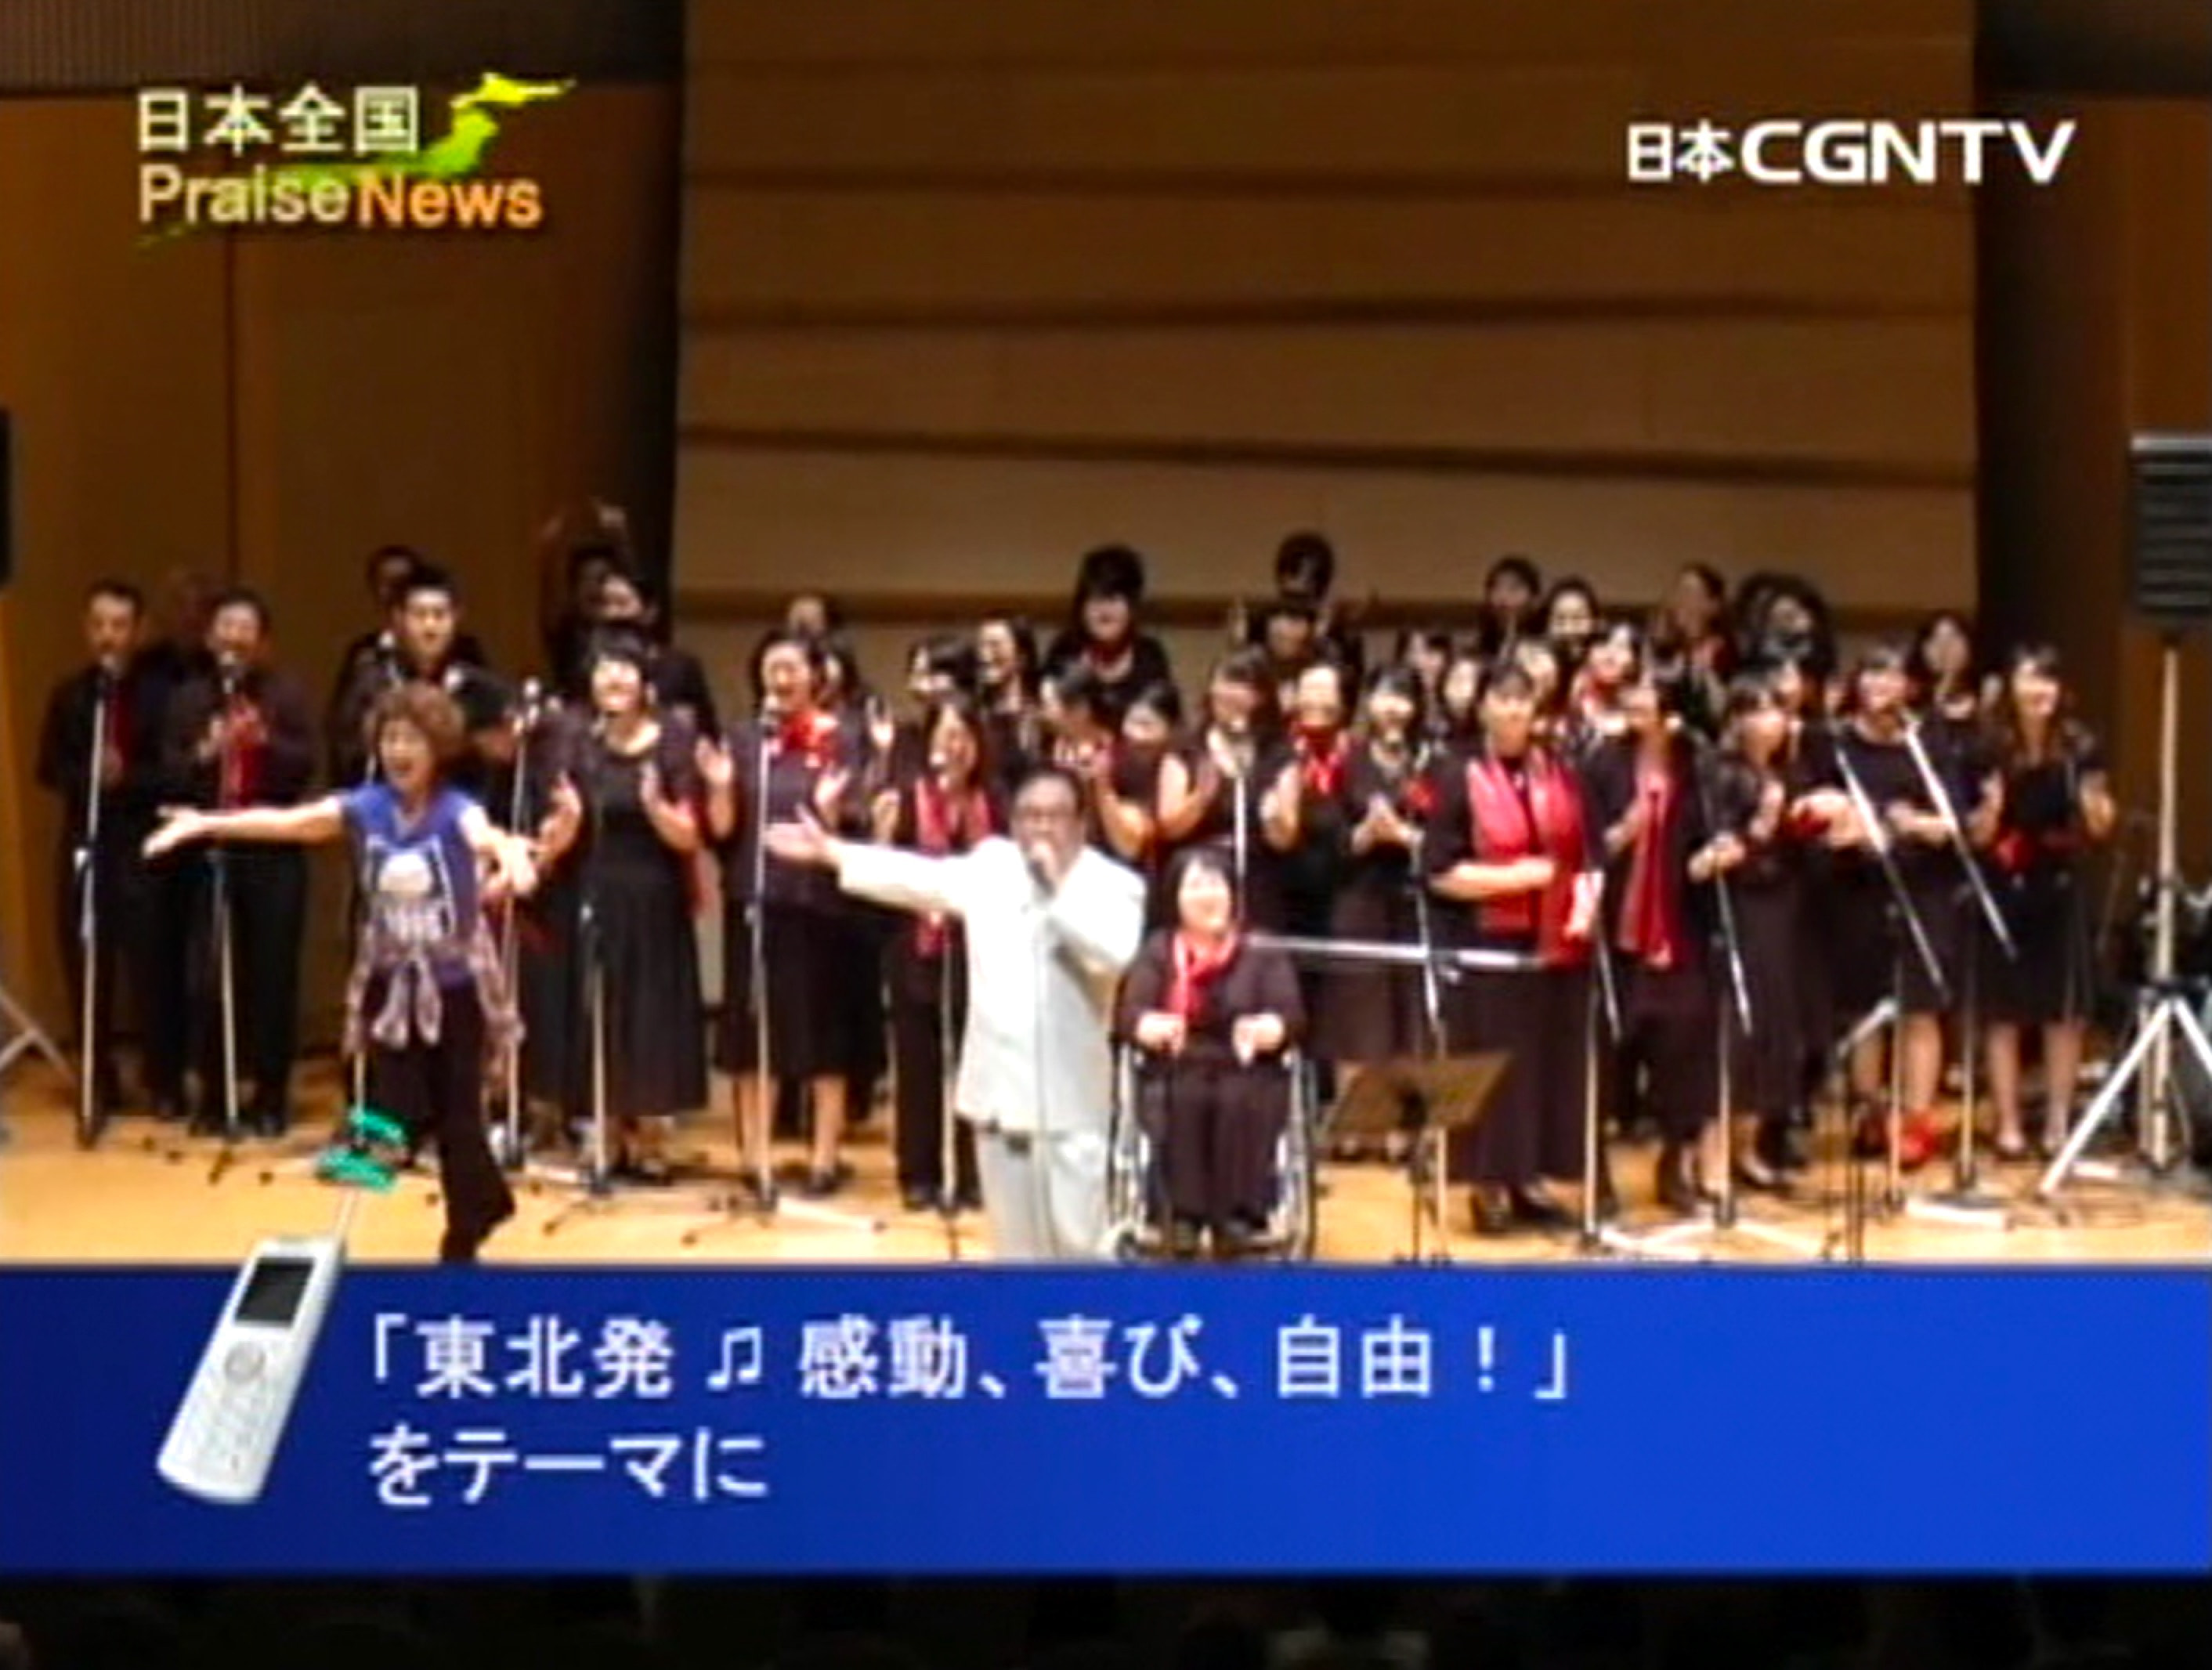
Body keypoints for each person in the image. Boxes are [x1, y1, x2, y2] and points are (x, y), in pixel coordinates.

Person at [146, 683, 538, 1263]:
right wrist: (206, 824)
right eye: (391, 739)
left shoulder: (458, 811)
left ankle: (467, 1225)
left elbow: (490, 839)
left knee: (459, 1116)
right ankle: (380, 1200)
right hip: (390, 985)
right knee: (395, 1102)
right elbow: (289, 823)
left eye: (412, 740)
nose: (399, 751)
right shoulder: (364, 808)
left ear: (438, 750)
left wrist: (512, 856)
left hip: (455, 989)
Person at [766, 766, 1147, 1260]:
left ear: (1081, 823)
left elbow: (1114, 952)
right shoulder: (993, 866)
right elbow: (918, 877)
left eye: (1055, 816)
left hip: (1070, 1106)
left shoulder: (1112, 883)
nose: (1042, 828)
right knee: (1014, 1252)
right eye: (1030, 816)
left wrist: (1057, 889)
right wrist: (832, 852)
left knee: (1080, 1249)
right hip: (997, 1097)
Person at [1422, 663, 1599, 1235]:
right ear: (1483, 709)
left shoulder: (1559, 770)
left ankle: (1531, 1179)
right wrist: (1515, 878)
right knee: (1497, 1068)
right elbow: (1438, 872)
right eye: (1503, 699)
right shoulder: (1459, 774)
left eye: (1524, 701)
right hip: (1489, 944)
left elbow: (1584, 850)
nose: (1515, 711)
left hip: (1557, 944)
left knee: (1546, 1067)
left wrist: (1584, 898)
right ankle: (1489, 1183)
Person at [533, 632, 710, 1182]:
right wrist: (564, 826)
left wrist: (655, 806)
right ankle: (605, 1134)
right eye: (604, 670)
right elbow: (552, 839)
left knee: (651, 1014)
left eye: (624, 669)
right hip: (592, 891)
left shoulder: (673, 739)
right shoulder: (575, 743)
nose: (613, 679)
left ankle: (652, 1139)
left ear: (644, 683)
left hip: (654, 895)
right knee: (598, 1010)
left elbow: (690, 836)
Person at [159, 588, 318, 1135]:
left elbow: (306, 766)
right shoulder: (188, 698)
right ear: (209, 637)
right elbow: (169, 775)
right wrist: (208, 751)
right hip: (209, 852)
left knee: (273, 976)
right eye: (225, 626)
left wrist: (263, 740)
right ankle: (215, 1093)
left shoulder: (286, 693)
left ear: (263, 640)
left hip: (273, 852)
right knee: (208, 975)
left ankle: (271, 1096)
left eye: (246, 627)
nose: (235, 637)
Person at [1115, 848, 1304, 1259]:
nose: (1208, 896)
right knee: (1184, 1095)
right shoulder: (1159, 951)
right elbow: (1129, 1014)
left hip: (1247, 1065)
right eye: (1196, 886)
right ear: (1175, 899)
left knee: (1239, 1098)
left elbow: (1291, 1016)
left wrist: (1268, 1028)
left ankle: (1239, 1216)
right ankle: (1182, 1215)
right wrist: (1150, 1025)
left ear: (1233, 893)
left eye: (1217, 884)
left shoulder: (1262, 950)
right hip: (1176, 1063)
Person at [34, 580, 174, 1118]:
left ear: (137, 631)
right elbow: (48, 768)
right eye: (98, 625)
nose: (107, 637)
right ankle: (98, 1079)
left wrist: (126, 776)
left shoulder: (159, 694)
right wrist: (88, 774)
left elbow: (173, 771)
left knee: (151, 966)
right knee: (86, 961)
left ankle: (161, 1079)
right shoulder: (71, 694)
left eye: (118, 626)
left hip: (141, 844)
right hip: (86, 842)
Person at [1981, 646, 2116, 1159]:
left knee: (2064, 1010)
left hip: (2058, 880)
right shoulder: (1992, 745)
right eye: (2029, 679)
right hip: (2003, 880)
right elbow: (1978, 829)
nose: (2039, 691)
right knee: (2004, 1010)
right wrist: (1988, 811)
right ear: (2011, 686)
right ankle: (2008, 1122)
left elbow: (2100, 824)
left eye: (2048, 681)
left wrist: (2095, 807)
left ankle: (2060, 1122)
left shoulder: (2080, 745)